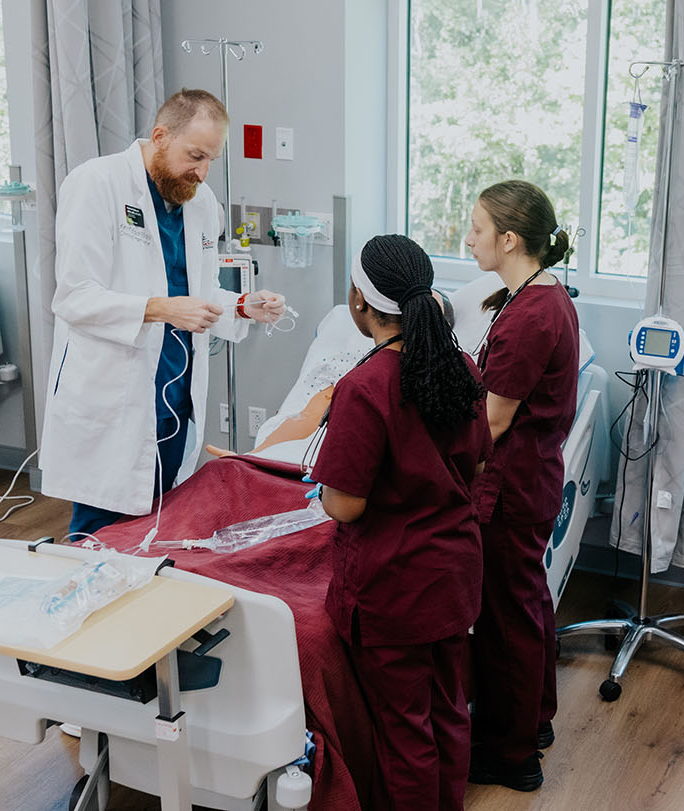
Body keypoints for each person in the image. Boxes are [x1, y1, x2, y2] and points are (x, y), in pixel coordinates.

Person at [39, 89, 287, 538]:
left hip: (174, 389)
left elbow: (197, 293)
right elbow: (74, 297)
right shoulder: (97, 184)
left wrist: (242, 306)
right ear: (159, 137)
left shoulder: (200, 202)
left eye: (211, 160)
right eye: (195, 156)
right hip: (114, 389)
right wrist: (159, 309)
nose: (202, 172)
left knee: (160, 518)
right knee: (101, 527)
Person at [310, 235, 490, 810]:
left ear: (358, 301)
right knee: (448, 712)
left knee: (404, 731)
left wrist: (323, 492)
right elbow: (478, 463)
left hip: (394, 590)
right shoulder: (462, 367)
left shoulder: (366, 388)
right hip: (453, 577)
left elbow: (345, 505)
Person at [464, 180, 580, 792]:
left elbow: (492, 422)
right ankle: (533, 722)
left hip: (510, 487)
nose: (469, 239)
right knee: (527, 605)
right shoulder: (541, 295)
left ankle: (511, 758)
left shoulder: (531, 316)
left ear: (509, 239)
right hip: (531, 478)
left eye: (477, 229)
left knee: (504, 620)